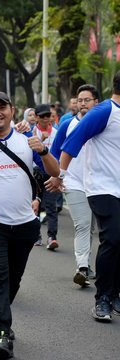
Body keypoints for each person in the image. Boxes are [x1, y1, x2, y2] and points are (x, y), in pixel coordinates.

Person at [0, 91, 59, 359]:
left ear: (11, 110)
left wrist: (44, 149)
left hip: (25, 225)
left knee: (13, 278)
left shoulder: (28, 141)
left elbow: (54, 172)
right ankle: (4, 332)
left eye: (1, 107)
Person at [48, 72, 120, 322]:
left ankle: (115, 291)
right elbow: (72, 143)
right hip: (102, 187)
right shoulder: (104, 112)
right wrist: (60, 175)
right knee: (112, 237)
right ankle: (102, 298)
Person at [50, 84, 99, 287]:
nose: (83, 103)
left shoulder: (103, 123)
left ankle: (87, 263)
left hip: (98, 184)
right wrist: (57, 176)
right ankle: (82, 268)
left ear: (96, 102)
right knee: (82, 224)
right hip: (72, 181)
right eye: (80, 100)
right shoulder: (67, 124)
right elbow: (53, 152)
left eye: (87, 100)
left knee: (91, 228)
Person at [32, 104, 59, 250]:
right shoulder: (30, 133)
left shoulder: (56, 132)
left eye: (47, 116)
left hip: (51, 174)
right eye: (41, 116)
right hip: (35, 174)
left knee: (50, 205)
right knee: (34, 206)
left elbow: (59, 154)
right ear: (36, 117)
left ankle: (52, 237)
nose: (45, 119)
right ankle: (36, 235)